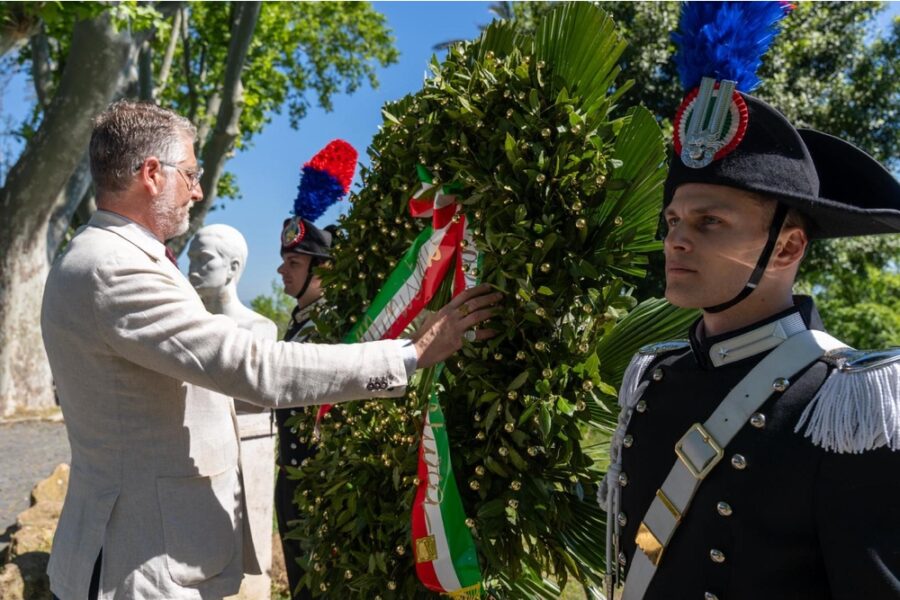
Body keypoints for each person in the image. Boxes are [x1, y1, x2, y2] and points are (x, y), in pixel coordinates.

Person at [40, 100, 500, 600]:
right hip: (139, 563)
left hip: (152, 550)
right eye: (191, 174)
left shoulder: (112, 256)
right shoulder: (115, 267)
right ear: (152, 173)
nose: (196, 190)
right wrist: (409, 355)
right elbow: (252, 367)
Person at [600, 3, 900, 600]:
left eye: (710, 221)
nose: (676, 239)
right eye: (673, 219)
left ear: (787, 246)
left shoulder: (844, 408)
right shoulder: (654, 375)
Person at [187, 224, 278, 600]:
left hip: (247, 458)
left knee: (248, 571)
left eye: (203, 259)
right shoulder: (185, 328)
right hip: (194, 459)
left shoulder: (259, 328)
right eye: (189, 258)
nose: (191, 268)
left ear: (233, 267)